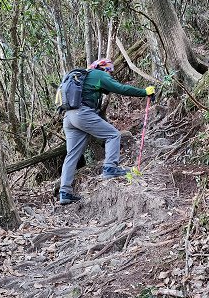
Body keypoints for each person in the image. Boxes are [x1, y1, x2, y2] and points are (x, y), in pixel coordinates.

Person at [59, 58, 155, 205]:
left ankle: (64, 192)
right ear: (104, 68)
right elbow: (121, 88)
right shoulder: (98, 75)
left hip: (68, 117)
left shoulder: (83, 77)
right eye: (110, 71)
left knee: (72, 154)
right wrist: (144, 92)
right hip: (82, 114)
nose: (110, 74)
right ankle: (110, 168)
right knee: (113, 135)